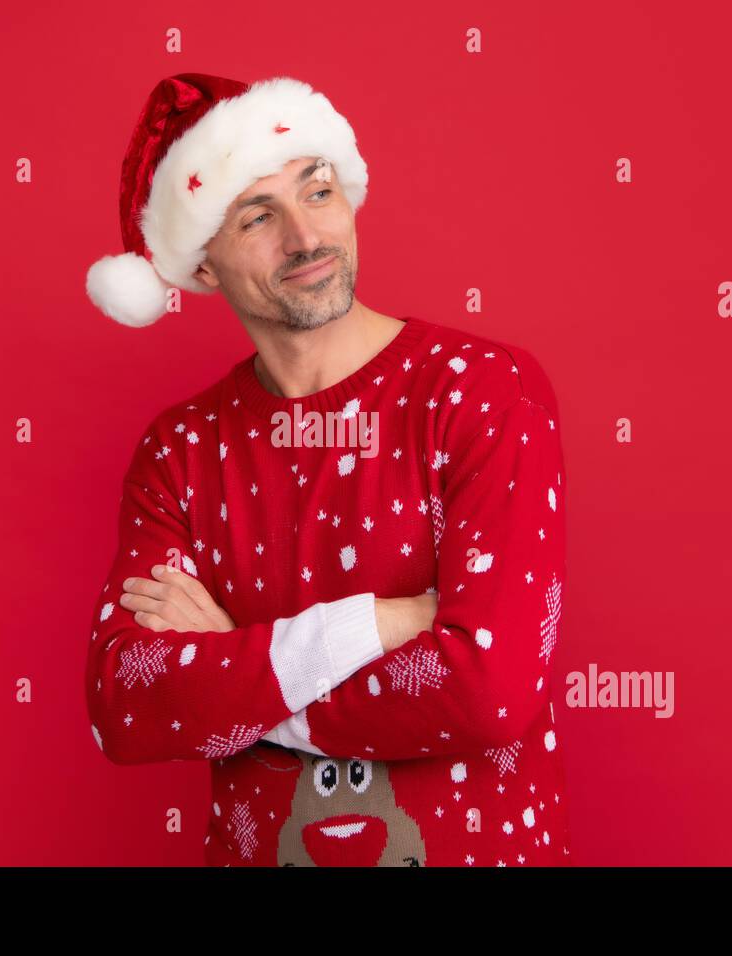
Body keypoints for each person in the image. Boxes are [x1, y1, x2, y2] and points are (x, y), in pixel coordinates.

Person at [83, 73, 572, 867]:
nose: (306, 238)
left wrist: (241, 666)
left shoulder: (482, 391)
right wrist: (381, 623)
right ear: (203, 267)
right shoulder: (178, 453)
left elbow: (489, 689)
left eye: (318, 192)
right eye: (257, 216)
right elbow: (126, 705)